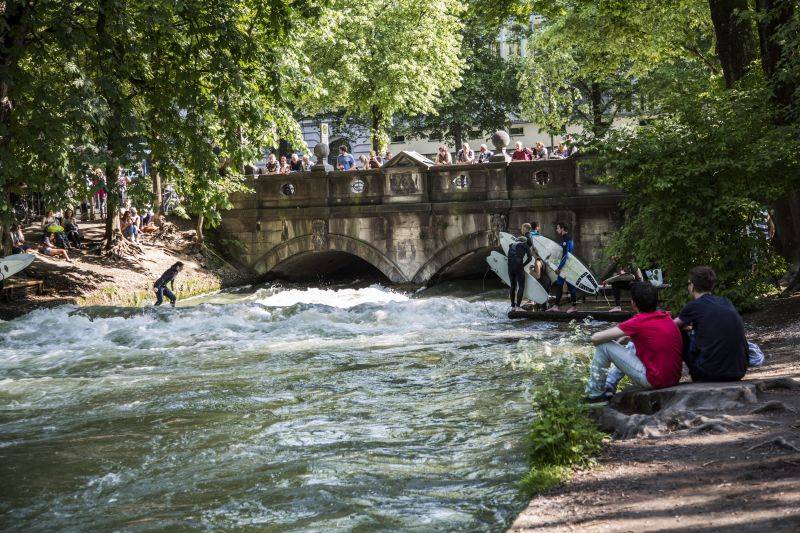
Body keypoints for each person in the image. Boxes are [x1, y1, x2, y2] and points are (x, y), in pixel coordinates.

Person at [585, 282, 683, 402]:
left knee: (604, 346)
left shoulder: (638, 321)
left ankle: (595, 395)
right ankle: (609, 385)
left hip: (655, 381)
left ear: (633, 303)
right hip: (673, 379)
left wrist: (615, 341)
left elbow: (596, 338)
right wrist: (627, 337)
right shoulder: (666, 316)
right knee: (633, 342)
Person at [674, 266, 748, 382]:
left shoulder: (694, 306)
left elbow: (671, 326)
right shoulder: (725, 302)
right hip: (738, 371)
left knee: (679, 333)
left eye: (688, 283)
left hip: (709, 374)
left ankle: (672, 373)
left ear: (692, 285)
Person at [547, 222, 578, 313]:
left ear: (562, 228)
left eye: (558, 228)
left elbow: (565, 255)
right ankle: (556, 306)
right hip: (566, 266)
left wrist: (559, 268)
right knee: (560, 285)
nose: (557, 230)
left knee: (570, 286)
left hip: (566, 267)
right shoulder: (567, 238)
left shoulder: (566, 239)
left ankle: (573, 307)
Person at [507, 236, 532, 310]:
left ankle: (512, 306)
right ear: (524, 241)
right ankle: (518, 306)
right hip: (518, 267)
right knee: (521, 286)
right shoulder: (525, 245)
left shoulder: (511, 245)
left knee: (512, 286)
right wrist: (523, 265)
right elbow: (530, 258)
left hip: (510, 267)